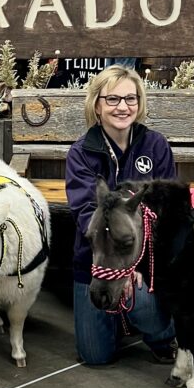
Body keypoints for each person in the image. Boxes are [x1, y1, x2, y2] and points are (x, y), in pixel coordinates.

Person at [65, 65, 178, 366]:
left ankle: (161, 334)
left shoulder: (156, 145)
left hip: (143, 262)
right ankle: (117, 319)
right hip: (95, 263)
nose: (122, 107)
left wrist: (134, 265)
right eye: (113, 99)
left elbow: (166, 210)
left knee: (143, 302)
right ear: (97, 105)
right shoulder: (81, 153)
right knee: (95, 357)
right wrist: (116, 266)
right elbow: (86, 213)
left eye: (130, 99)